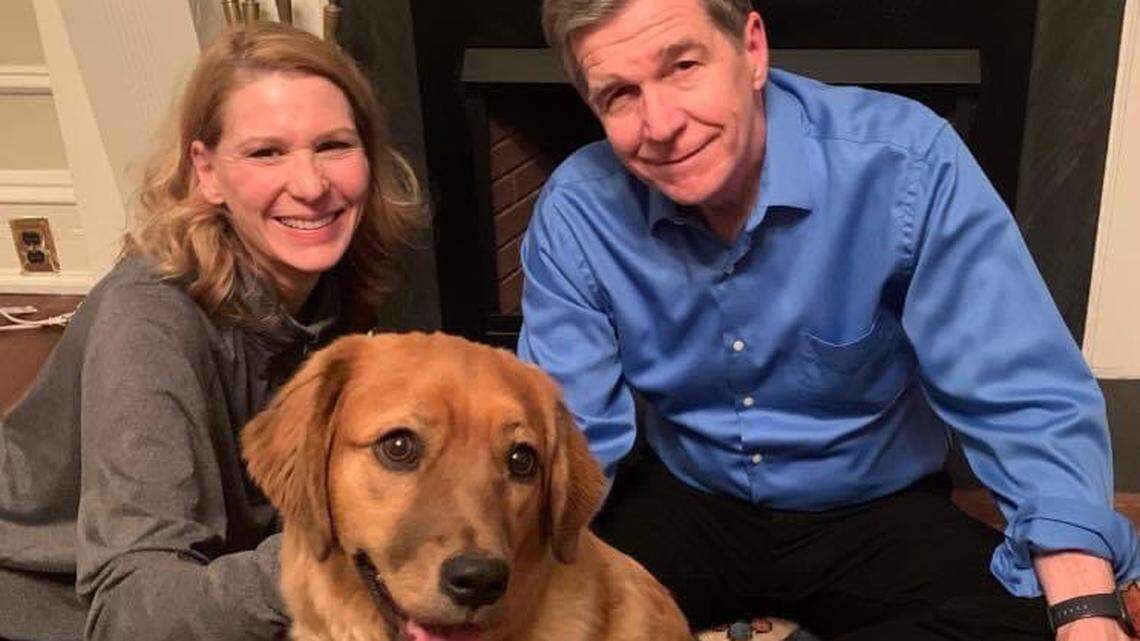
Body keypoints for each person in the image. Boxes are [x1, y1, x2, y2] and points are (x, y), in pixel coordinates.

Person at [519, 0, 1140, 639]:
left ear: (752, 49)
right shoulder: (578, 210)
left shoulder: (908, 162)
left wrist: (1085, 612)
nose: (662, 123)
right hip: (688, 500)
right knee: (537, 614)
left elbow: (1019, 395)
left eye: (682, 65)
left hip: (872, 510)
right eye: (620, 94)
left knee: (1025, 619)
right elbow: (566, 436)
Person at [0, 22, 421, 641]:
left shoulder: (334, 277)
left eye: (333, 145)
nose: (310, 186)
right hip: (57, 597)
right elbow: (133, 612)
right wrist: (336, 555)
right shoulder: (147, 326)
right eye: (265, 152)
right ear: (207, 172)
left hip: (226, 568)